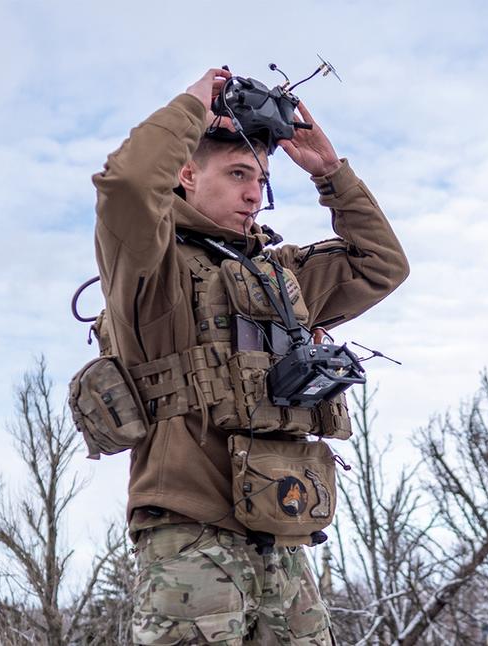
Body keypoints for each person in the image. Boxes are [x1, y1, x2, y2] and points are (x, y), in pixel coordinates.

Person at [91, 67, 409, 644]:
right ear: (186, 174)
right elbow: (129, 185)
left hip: (283, 534)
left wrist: (331, 174)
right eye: (238, 174)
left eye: (261, 180)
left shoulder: (279, 276)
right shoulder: (148, 267)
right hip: (190, 539)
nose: (253, 194)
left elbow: (381, 265)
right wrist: (192, 106)